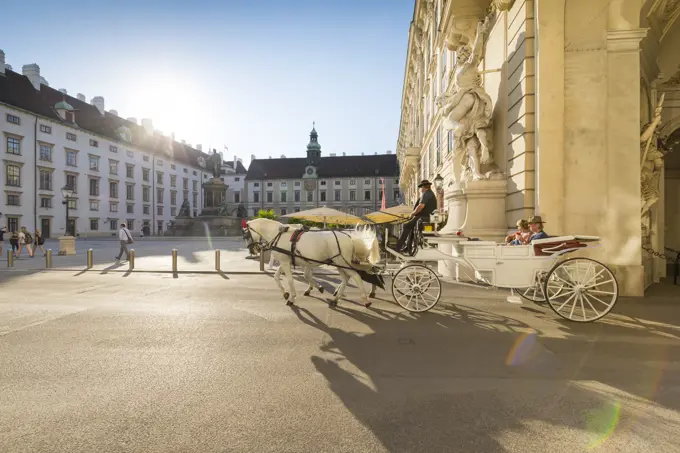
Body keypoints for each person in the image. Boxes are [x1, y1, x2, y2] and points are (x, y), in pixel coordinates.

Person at [396, 179, 438, 253]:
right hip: (425, 217)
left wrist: (412, 214)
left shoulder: (427, 194)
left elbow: (421, 206)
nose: (421, 189)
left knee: (406, 226)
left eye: (421, 187)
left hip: (423, 217)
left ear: (424, 187)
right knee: (411, 227)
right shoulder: (429, 193)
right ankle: (408, 247)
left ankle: (398, 247)